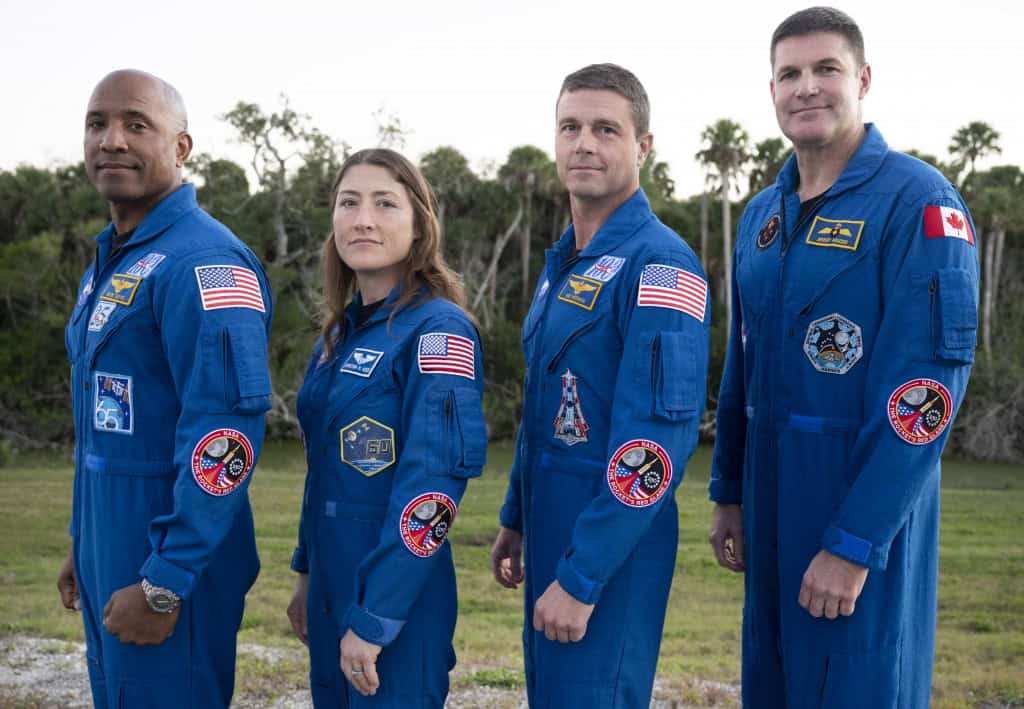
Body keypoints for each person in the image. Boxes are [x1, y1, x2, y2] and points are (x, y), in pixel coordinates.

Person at [707, 7, 979, 708]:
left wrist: (855, 541)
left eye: (826, 69)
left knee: (857, 687)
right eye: (789, 73)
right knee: (771, 686)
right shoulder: (761, 216)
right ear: (771, 90)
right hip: (767, 508)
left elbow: (925, 396)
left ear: (862, 79)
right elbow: (743, 365)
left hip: (858, 511)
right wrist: (728, 490)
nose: (806, 87)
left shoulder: (918, 203)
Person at [491, 64, 710, 707]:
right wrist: (515, 516)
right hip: (550, 524)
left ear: (643, 146)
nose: (583, 143)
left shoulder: (661, 263)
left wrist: (585, 575)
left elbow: (656, 441)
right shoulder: (563, 262)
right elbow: (546, 404)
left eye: (605, 130)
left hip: (611, 545)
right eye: (570, 127)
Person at [56, 69, 273, 708]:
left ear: (181, 148)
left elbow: (225, 437)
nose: (111, 140)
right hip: (110, 542)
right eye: (97, 124)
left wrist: (165, 581)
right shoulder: (113, 260)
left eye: (136, 125)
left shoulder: (205, 261)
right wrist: (83, 541)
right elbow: (106, 428)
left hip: (169, 554)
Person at [285, 148, 486, 707]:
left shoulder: (438, 332)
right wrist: (307, 573)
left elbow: (432, 488)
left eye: (385, 204)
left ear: (419, 224)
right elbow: (323, 470)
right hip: (330, 586)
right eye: (348, 203)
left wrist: (377, 616)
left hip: (398, 596)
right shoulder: (336, 338)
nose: (363, 220)